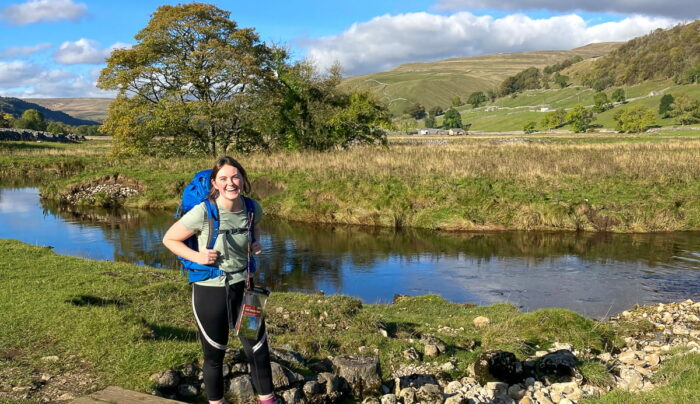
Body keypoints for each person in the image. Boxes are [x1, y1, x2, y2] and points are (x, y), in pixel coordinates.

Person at [163, 156, 275, 404]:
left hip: (246, 289)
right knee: (215, 353)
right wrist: (197, 256)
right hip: (210, 291)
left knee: (258, 349)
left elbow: (255, 227)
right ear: (214, 183)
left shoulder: (252, 207)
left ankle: (268, 400)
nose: (230, 183)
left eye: (235, 177)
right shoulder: (204, 212)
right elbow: (170, 239)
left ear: (243, 180)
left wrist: (255, 242)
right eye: (223, 179)